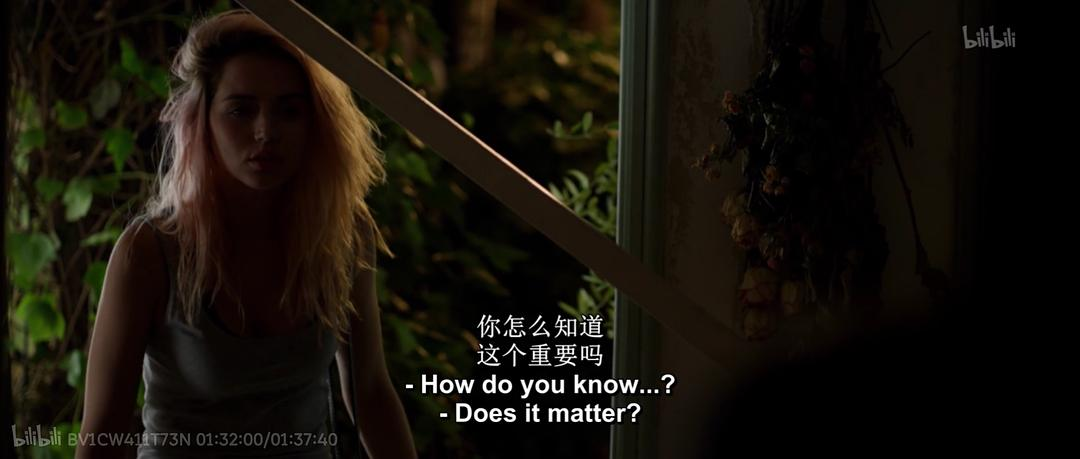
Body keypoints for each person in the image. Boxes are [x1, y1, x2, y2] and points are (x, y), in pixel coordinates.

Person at [76, 9, 417, 458]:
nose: (265, 132)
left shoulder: (341, 235)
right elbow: (103, 432)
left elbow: (370, 393)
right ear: (203, 120)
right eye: (240, 110)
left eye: (288, 111)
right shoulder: (151, 252)